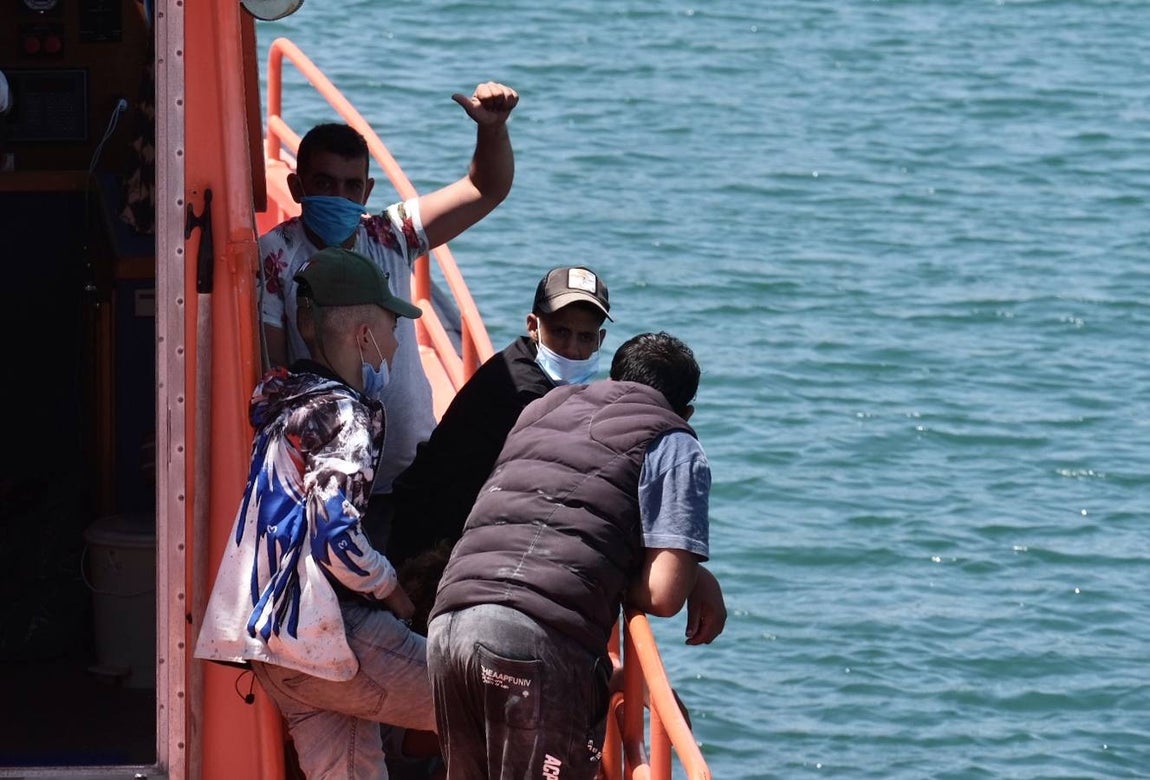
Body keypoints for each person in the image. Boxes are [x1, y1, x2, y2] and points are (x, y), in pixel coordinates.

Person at [426, 331, 723, 780]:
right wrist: (675, 572)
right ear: (686, 412)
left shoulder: (545, 409)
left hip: (450, 625)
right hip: (531, 646)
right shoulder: (674, 440)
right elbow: (663, 595)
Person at [195, 247, 435, 780]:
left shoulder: (289, 402)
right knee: (498, 699)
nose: (397, 344)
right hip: (329, 632)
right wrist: (392, 590)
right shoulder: (347, 414)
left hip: (274, 649)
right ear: (364, 335)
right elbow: (336, 536)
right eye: (393, 325)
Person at [258, 81, 519, 537]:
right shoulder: (275, 255)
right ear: (297, 187)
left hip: (413, 468)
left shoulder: (389, 234)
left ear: (367, 191)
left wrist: (492, 131)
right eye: (324, 183)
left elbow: (484, 188)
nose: (339, 196)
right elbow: (275, 370)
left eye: (351, 186)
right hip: (330, 478)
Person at [386, 265, 612, 568]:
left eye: (585, 338)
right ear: (533, 326)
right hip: (432, 545)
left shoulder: (522, 363)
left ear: (600, 340)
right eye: (560, 332)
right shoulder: (526, 392)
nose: (572, 348)